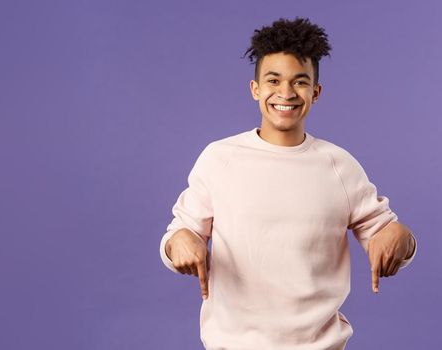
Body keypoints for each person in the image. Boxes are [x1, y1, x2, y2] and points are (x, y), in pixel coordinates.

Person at [159, 17, 418, 350]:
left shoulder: (339, 166)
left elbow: (386, 233)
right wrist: (180, 240)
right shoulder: (220, 158)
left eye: (299, 82)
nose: (285, 93)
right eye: (273, 80)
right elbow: (180, 235)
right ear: (255, 89)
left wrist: (400, 237)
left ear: (316, 92)